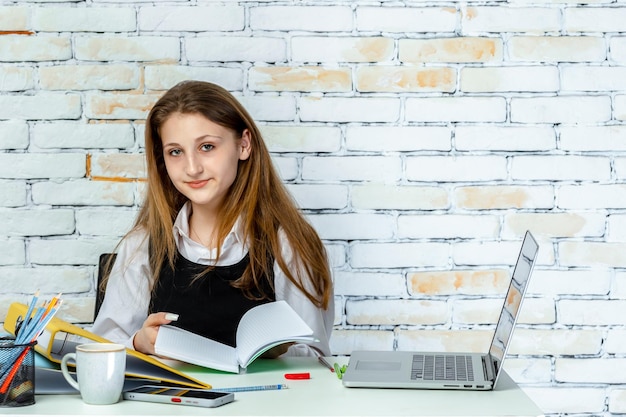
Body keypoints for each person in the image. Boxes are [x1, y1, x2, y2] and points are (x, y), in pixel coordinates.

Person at [91, 80, 334, 358]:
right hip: (170, 402)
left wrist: (279, 352)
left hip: (266, 401)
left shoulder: (288, 245)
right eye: (175, 152)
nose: (192, 168)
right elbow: (101, 348)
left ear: (243, 145)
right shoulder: (141, 246)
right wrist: (138, 343)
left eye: (207, 147)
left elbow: (315, 357)